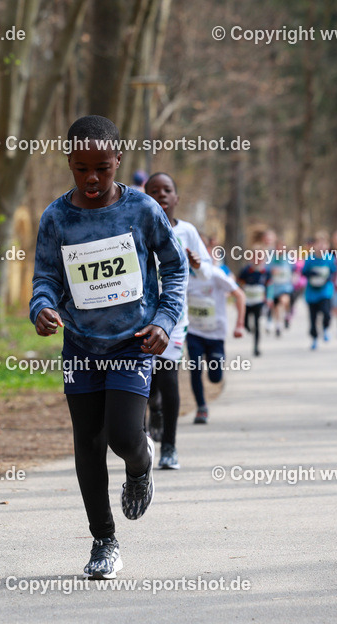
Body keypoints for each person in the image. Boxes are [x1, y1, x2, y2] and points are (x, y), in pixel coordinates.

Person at [30, 115, 187, 580]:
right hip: (80, 343)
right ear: (70, 164)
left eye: (102, 166)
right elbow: (45, 278)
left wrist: (164, 320)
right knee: (88, 444)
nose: (93, 178)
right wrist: (41, 308)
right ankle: (104, 541)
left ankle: (140, 467)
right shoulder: (57, 218)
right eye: (81, 168)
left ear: (119, 160)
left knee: (123, 436)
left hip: (133, 341)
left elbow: (174, 270)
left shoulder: (142, 210)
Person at [143, 172, 212, 470]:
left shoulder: (187, 231)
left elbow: (209, 274)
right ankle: (153, 409)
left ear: (176, 198)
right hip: (142, 317)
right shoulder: (137, 228)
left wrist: (197, 264)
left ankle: (169, 446)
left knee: (169, 379)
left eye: (167, 190)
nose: (161, 195)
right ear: (144, 197)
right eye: (154, 190)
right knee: (147, 383)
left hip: (174, 318)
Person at [184, 260, 246, 425]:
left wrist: (240, 324)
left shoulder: (216, 274)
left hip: (215, 334)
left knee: (215, 377)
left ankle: (215, 376)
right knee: (195, 369)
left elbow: (239, 295)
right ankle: (201, 407)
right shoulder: (184, 274)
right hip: (194, 332)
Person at [302, 232, 337, 350]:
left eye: (324, 244)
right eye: (318, 244)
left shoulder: (330, 258)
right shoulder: (310, 258)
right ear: (314, 245)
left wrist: (328, 277)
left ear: (327, 245)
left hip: (325, 291)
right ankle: (314, 338)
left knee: (326, 313)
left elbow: (334, 271)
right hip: (312, 293)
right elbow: (303, 272)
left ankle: (326, 328)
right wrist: (311, 273)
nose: (321, 246)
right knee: (313, 318)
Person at [238, 247, 269, 357]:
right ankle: (248, 327)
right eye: (256, 257)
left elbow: (269, 286)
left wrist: (269, 298)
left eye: (260, 257)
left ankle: (256, 347)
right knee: (246, 323)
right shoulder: (246, 270)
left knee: (257, 324)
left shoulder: (265, 272)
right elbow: (239, 283)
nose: (258, 259)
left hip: (259, 302)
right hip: (247, 302)